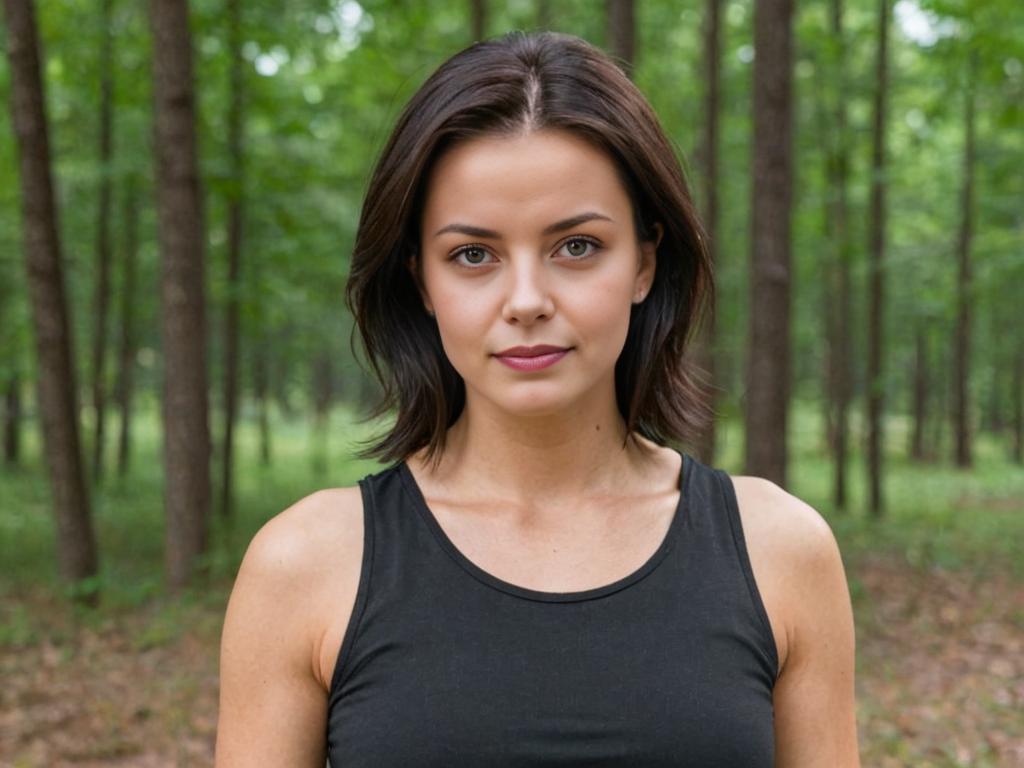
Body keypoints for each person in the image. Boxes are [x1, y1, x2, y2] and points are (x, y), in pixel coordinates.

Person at [214, 31, 860, 767]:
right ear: (421, 281)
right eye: (473, 255)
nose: (526, 300)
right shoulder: (305, 564)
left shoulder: (780, 550)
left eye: (576, 246)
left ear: (645, 263)